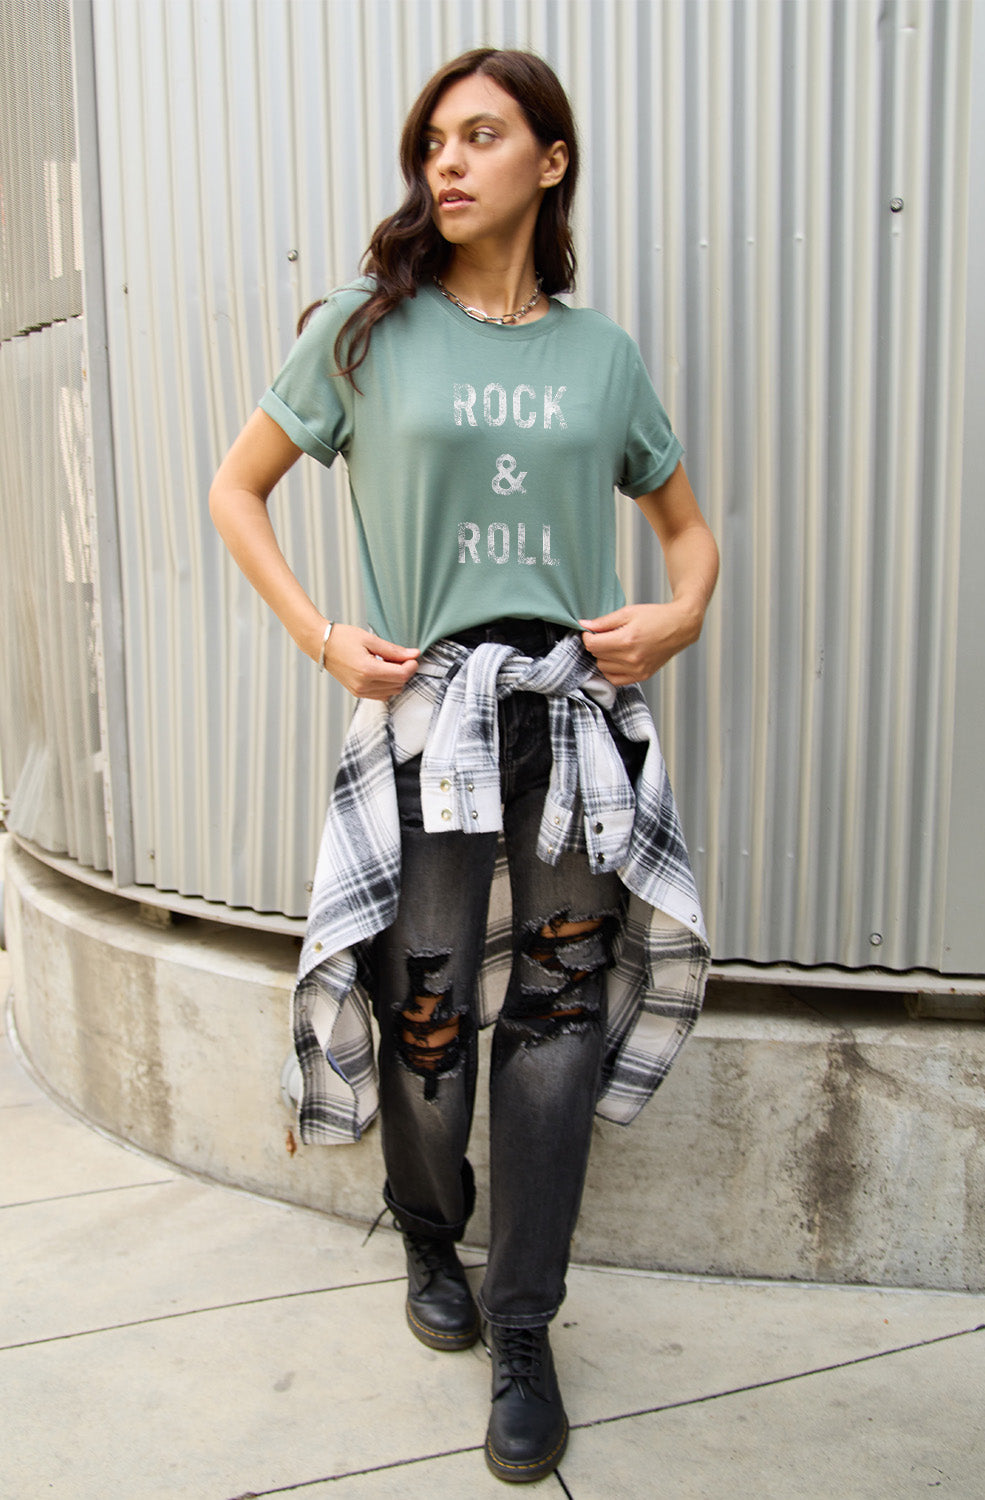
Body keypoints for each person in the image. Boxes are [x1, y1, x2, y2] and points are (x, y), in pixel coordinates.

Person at [210, 47, 718, 1485]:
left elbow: (689, 535)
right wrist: (323, 636)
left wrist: (678, 617)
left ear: (549, 163)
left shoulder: (601, 355)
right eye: (434, 139)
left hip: (567, 724)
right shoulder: (366, 332)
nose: (447, 160)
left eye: (483, 136)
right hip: (430, 719)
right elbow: (236, 488)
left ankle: (524, 1320)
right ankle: (430, 1226)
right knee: (427, 1015)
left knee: (554, 1019)